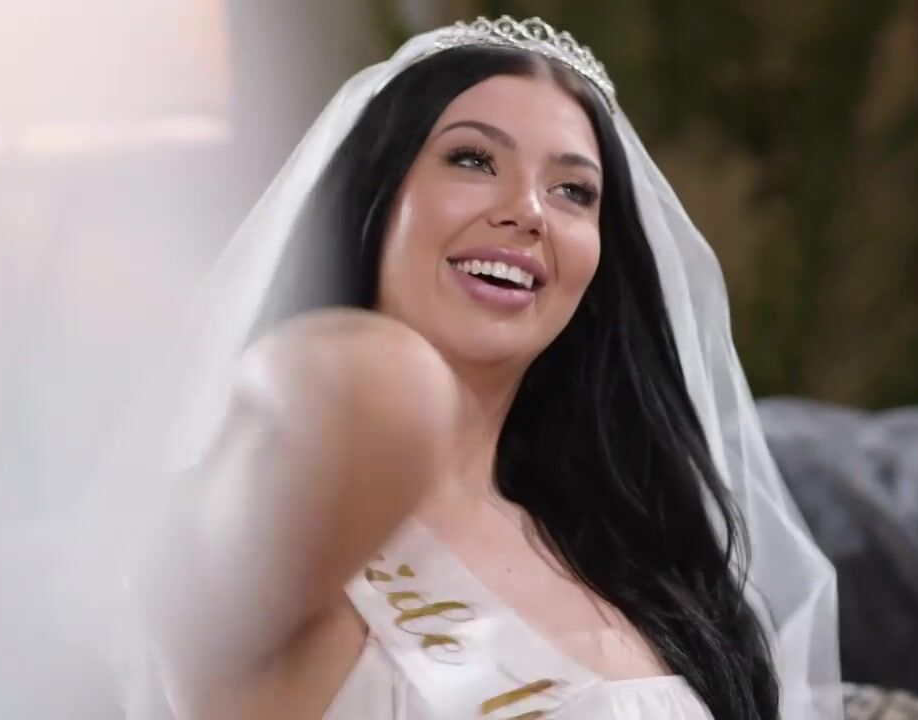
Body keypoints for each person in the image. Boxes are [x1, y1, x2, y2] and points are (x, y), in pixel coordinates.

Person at [103, 16, 842, 720]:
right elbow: (347, 391)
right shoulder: (259, 527)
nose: (529, 212)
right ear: (372, 196)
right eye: (472, 160)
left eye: (573, 192)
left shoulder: (643, 560)